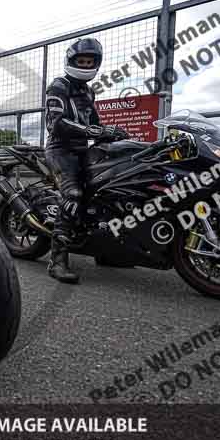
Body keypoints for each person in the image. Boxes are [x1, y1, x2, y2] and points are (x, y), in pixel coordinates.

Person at [44, 38, 128, 284]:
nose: (85, 65)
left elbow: (95, 122)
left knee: (108, 190)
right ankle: (57, 261)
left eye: (90, 61)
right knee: (73, 196)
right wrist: (95, 131)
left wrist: (113, 133)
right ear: (71, 61)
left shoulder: (89, 91)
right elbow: (55, 123)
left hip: (83, 150)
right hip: (60, 151)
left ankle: (104, 250)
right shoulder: (58, 86)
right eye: (81, 61)